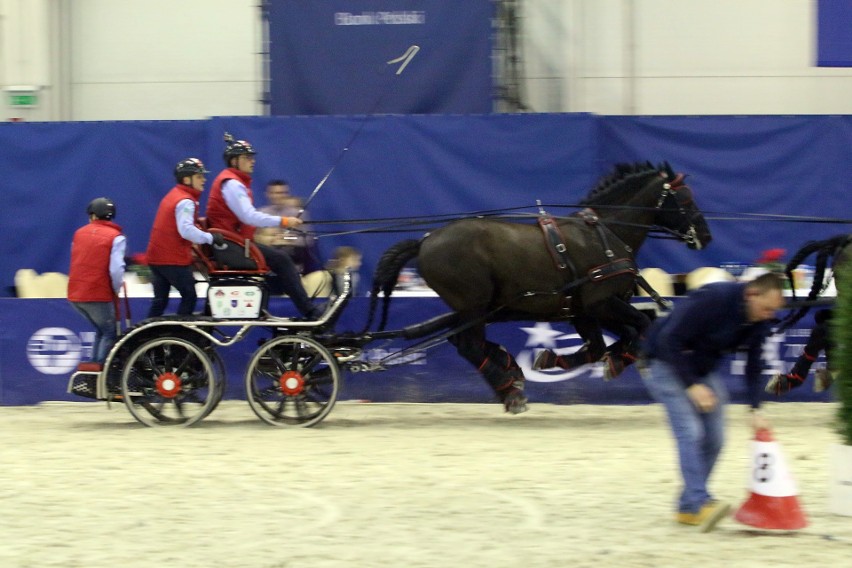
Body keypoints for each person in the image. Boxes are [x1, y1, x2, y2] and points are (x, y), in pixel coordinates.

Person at [639, 272, 784, 532]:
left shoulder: (759, 321)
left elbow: (755, 365)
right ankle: (698, 502)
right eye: (766, 308)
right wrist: (692, 386)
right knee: (690, 432)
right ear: (751, 294)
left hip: (701, 369)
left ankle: (688, 507)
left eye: (773, 311)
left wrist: (755, 407)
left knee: (715, 438)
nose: (769, 316)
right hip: (662, 361)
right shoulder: (715, 298)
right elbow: (668, 340)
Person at [205, 133, 323, 320]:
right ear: (234, 161)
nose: (252, 161)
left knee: (278, 259)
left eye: (252, 157)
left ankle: (290, 310)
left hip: (234, 244)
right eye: (247, 158)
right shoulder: (232, 184)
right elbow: (249, 216)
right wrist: (284, 221)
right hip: (232, 247)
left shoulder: (233, 182)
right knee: (282, 260)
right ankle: (310, 312)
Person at [146, 158, 224, 317]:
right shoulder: (186, 201)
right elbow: (186, 230)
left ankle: (147, 336)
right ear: (187, 179)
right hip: (172, 259)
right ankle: (181, 334)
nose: (204, 180)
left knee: (160, 301)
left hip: (157, 258)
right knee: (189, 296)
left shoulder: (175, 195)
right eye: (199, 176)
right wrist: (210, 238)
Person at [68, 197, 126, 364]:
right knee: (109, 333)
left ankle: (94, 371)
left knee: (102, 330)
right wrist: (116, 288)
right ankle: (101, 375)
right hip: (97, 295)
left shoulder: (78, 233)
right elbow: (116, 269)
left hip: (75, 295)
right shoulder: (116, 237)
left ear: (93, 216)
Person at [254, 180, 322, 275]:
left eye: (281, 193)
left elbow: (307, 238)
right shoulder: (259, 214)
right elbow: (254, 238)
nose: (278, 196)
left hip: (292, 263)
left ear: (287, 194)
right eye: (274, 193)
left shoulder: (298, 214)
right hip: (266, 263)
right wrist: (269, 239)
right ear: (267, 194)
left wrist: (286, 238)